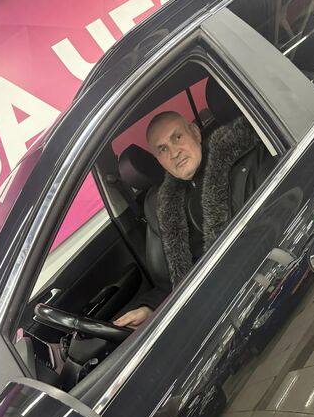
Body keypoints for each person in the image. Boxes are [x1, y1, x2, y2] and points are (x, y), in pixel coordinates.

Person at [114, 110, 272, 328]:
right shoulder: (163, 207)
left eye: (177, 137)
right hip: (207, 314)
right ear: (159, 160)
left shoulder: (246, 160)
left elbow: (275, 225)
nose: (174, 152)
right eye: (162, 149)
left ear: (195, 133)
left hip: (258, 290)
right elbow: (173, 284)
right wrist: (150, 309)